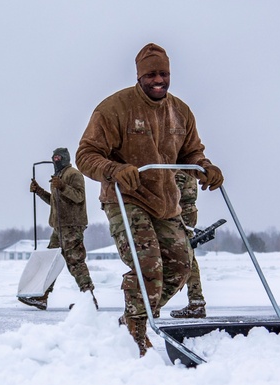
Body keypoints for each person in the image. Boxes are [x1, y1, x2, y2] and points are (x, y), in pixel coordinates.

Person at [76, 43, 224, 355]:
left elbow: (192, 152)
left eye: (164, 73)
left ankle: (135, 318)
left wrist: (205, 168)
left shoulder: (180, 111)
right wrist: (114, 169)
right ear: (139, 76)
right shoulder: (114, 109)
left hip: (165, 201)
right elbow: (86, 155)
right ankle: (135, 336)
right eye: (151, 74)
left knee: (179, 266)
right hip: (125, 197)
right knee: (148, 265)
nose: (159, 80)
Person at [24, 147, 97, 310]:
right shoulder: (58, 176)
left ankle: (89, 298)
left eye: (58, 158)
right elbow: (55, 202)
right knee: (51, 260)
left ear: (65, 159)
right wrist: (39, 191)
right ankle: (42, 297)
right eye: (54, 158)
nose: (55, 161)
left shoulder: (73, 174)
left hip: (72, 225)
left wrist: (63, 186)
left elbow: (79, 197)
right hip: (59, 227)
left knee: (75, 262)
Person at [170, 171, 208, 318]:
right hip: (186, 210)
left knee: (181, 256)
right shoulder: (186, 162)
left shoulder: (177, 164)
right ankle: (196, 300)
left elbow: (173, 192)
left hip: (177, 211)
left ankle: (153, 303)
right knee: (188, 255)